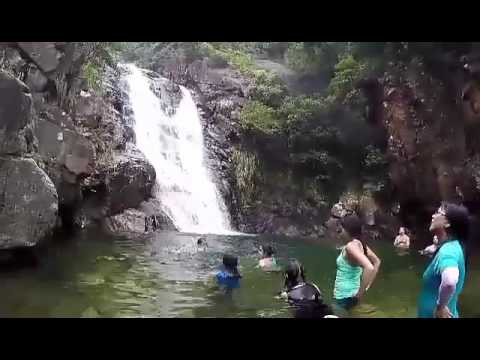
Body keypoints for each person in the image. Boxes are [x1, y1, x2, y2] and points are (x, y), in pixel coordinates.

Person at [418, 203, 469, 318]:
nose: (433, 216)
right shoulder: (452, 246)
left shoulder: (448, 250)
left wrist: (440, 307)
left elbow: (450, 281)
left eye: (438, 213)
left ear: (447, 223)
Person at [333, 214, 381, 310]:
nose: (339, 233)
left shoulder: (351, 246)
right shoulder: (360, 244)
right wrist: (367, 286)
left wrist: (360, 293)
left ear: (348, 231)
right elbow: (377, 261)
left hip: (344, 297)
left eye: (341, 230)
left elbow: (369, 267)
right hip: (351, 295)